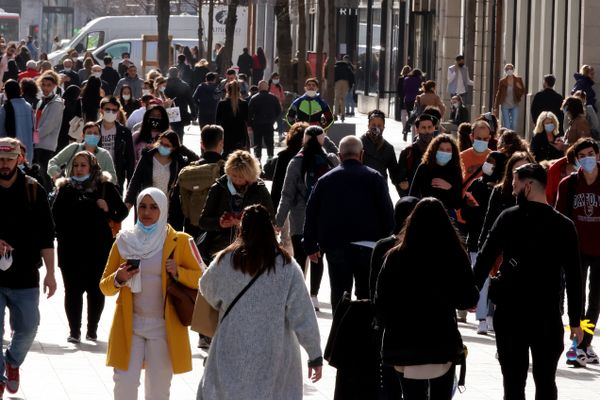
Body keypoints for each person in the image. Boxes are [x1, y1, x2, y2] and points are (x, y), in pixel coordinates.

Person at [474, 163, 583, 400]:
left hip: (511, 313)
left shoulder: (508, 218)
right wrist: (576, 321)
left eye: (515, 185)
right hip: (547, 315)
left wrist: (470, 295)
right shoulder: (564, 226)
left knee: (513, 384)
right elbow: (575, 277)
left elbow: (484, 259)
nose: (512, 191)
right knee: (546, 382)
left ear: (529, 185)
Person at [197, 204, 322, 399]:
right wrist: (315, 355)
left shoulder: (226, 260)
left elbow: (206, 288)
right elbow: (303, 314)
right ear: (270, 228)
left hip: (231, 345)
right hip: (275, 350)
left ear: (242, 229)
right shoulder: (287, 266)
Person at [100, 187, 202, 400]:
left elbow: (203, 278)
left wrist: (179, 272)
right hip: (130, 326)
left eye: (154, 207)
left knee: (158, 390)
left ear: (163, 209)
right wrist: (119, 278)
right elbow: (105, 286)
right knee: (124, 387)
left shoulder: (181, 241)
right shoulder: (124, 240)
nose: (147, 212)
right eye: (143, 207)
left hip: (164, 329)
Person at [376, 198, 479, 400]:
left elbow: (381, 300)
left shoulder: (395, 256)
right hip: (441, 341)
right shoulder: (454, 255)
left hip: (403, 342)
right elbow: (467, 298)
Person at [303, 136, 394, 313]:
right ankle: (363, 336)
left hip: (336, 246)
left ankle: (339, 333)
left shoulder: (325, 180)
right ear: (361, 154)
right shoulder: (375, 178)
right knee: (366, 296)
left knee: (339, 294)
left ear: (340, 155)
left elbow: (311, 213)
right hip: (369, 248)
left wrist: (310, 244)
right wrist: (385, 242)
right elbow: (388, 215)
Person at [0, 137, 57, 398]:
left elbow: (47, 236)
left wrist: (51, 273)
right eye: (0, 159)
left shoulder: (34, 190)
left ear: (19, 159)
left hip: (25, 275)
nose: (4, 164)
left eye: (9, 159)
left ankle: (11, 360)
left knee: (29, 327)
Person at [52, 150, 127, 343]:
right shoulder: (65, 188)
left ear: (92, 167)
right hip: (70, 250)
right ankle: (74, 331)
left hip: (98, 250)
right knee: (72, 291)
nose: (78, 169)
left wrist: (107, 208)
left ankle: (92, 329)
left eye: (83, 165)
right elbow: (55, 218)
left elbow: (122, 212)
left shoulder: (105, 187)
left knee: (95, 291)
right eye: (75, 165)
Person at [275, 126, 339, 310]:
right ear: (322, 139)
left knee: (300, 256)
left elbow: (286, 195)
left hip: (299, 215)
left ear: (304, 139)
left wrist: (279, 221)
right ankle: (314, 296)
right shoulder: (331, 160)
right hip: (324, 216)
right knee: (318, 257)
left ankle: (298, 293)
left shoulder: (296, 162)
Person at [556, 138, 600, 366]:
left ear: (598, 155)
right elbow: (559, 218)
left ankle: (584, 343)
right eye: (582, 156)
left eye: (591, 153)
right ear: (576, 160)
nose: (588, 159)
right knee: (577, 297)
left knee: (596, 300)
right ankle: (579, 345)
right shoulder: (568, 184)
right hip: (576, 249)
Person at [460, 150, 506, 332]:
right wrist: (469, 206)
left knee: (495, 280)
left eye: (493, 162)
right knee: (482, 280)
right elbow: (465, 214)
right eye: (487, 161)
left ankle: (491, 315)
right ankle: (481, 318)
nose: (488, 164)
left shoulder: (503, 190)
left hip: (497, 243)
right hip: (476, 239)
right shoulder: (476, 185)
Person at [199, 150, 274, 262]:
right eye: (234, 176)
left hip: (251, 250)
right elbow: (203, 222)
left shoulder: (260, 190)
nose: (238, 180)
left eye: (242, 177)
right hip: (219, 249)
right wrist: (219, 223)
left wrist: (243, 223)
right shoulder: (218, 188)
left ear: (250, 175)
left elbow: (271, 220)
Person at [126, 130, 188, 228]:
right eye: (161, 143)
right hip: (148, 205)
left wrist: (181, 148)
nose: (163, 147)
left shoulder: (179, 161)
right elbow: (135, 180)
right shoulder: (147, 157)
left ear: (174, 148)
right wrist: (128, 201)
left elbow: (196, 158)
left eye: (167, 145)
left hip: (168, 209)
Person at [48, 121, 117, 182]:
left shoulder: (104, 154)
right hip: (71, 190)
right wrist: (58, 175)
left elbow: (113, 178)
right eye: (89, 133)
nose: (92, 135)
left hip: (94, 194)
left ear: (99, 137)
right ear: (83, 136)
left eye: (95, 133)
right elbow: (52, 162)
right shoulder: (74, 148)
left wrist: (100, 179)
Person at [409, 134, 463, 212]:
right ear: (434, 150)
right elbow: (413, 194)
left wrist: (450, 188)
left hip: (447, 215)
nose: (444, 152)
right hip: (424, 212)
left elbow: (457, 203)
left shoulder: (455, 170)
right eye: (441, 149)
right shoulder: (424, 167)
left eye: (448, 150)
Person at [33, 71, 65, 192]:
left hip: (47, 144)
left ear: (55, 86)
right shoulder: (42, 101)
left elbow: (49, 126)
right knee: (41, 175)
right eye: (43, 84)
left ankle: (51, 199)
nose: (46, 87)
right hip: (39, 143)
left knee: (46, 175)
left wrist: (34, 138)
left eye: (49, 85)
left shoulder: (56, 103)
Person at [97, 96, 135, 190]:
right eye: (108, 109)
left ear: (118, 112)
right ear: (101, 110)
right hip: (95, 175)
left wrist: (130, 184)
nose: (111, 112)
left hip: (117, 176)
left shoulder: (124, 132)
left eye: (114, 110)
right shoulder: (93, 129)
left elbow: (130, 158)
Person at [360, 110, 401, 194]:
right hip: (362, 189)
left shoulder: (388, 148)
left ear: (384, 127)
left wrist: (402, 180)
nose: (376, 128)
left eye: (379, 125)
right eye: (373, 125)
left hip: (381, 190)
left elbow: (394, 174)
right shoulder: (359, 144)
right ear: (368, 126)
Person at [398, 114, 436, 196]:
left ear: (434, 128)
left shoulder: (440, 150)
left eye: (429, 127)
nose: (427, 131)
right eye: (423, 128)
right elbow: (400, 181)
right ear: (417, 129)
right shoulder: (407, 152)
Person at [0, 80, 34, 164]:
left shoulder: (5, 107)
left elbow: (1, 131)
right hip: (28, 151)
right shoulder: (28, 106)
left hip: (12, 152)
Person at [248, 80, 281, 162]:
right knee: (270, 142)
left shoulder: (254, 98)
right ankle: (270, 157)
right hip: (269, 124)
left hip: (257, 124)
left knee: (257, 143)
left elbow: (249, 113)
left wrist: (250, 124)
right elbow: (278, 110)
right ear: (267, 87)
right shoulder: (273, 98)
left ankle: (258, 159)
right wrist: (273, 119)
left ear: (259, 88)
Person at [216, 80, 249, 156]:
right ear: (239, 90)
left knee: (226, 154)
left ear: (227, 90)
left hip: (226, 134)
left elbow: (217, 121)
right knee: (239, 156)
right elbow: (247, 119)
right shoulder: (244, 104)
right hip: (240, 133)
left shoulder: (222, 104)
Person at [164, 67, 196, 141]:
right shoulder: (184, 85)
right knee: (179, 132)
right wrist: (193, 113)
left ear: (169, 74)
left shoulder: (165, 84)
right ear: (178, 74)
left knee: (167, 132)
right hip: (181, 111)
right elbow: (190, 101)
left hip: (166, 110)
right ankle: (179, 147)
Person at [460, 120, 493, 188]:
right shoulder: (461, 157)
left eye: (485, 139)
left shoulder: (494, 158)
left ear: (489, 138)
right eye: (478, 138)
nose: (482, 141)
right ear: (471, 137)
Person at [493, 63, 525, 131]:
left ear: (513, 70)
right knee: (507, 125)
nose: (509, 70)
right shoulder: (502, 81)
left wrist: (519, 87)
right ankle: (507, 138)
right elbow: (499, 93)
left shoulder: (518, 79)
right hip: (505, 105)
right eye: (507, 69)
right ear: (505, 71)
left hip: (514, 104)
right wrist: (495, 107)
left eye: (510, 69)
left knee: (514, 124)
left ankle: (513, 138)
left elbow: (523, 91)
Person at [334, 57, 355, 122]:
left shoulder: (335, 67)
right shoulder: (347, 68)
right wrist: (351, 85)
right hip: (346, 83)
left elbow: (333, 76)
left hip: (337, 82)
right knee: (343, 99)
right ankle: (343, 114)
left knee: (337, 99)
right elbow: (352, 76)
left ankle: (335, 114)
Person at [268, 72, 286, 139]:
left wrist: (279, 98)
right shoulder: (268, 86)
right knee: (270, 122)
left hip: (278, 107)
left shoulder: (279, 87)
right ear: (272, 78)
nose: (276, 79)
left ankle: (280, 135)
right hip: (270, 107)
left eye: (278, 78)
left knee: (280, 121)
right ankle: (269, 135)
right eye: (275, 78)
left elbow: (283, 97)